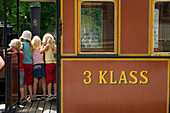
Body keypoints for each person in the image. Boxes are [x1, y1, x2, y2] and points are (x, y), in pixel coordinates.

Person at [8, 39, 26, 104]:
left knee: (14, 84)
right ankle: (23, 97)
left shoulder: (13, 55)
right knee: (21, 85)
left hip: (16, 71)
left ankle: (15, 99)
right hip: (22, 70)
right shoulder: (21, 53)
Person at [41, 33, 57, 101]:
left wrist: (43, 45)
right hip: (55, 63)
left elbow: (40, 52)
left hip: (49, 64)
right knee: (55, 79)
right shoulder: (54, 46)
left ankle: (49, 94)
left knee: (49, 80)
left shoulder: (47, 46)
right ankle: (55, 93)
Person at [20, 30, 34, 101]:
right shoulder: (31, 45)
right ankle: (31, 95)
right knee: (29, 81)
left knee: (24, 81)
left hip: (24, 64)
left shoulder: (22, 44)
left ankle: (25, 96)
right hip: (30, 64)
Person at [32, 36, 46, 100]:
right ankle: (44, 94)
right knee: (43, 80)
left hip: (35, 65)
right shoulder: (41, 49)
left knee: (35, 80)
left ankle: (34, 95)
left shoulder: (32, 50)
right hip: (42, 64)